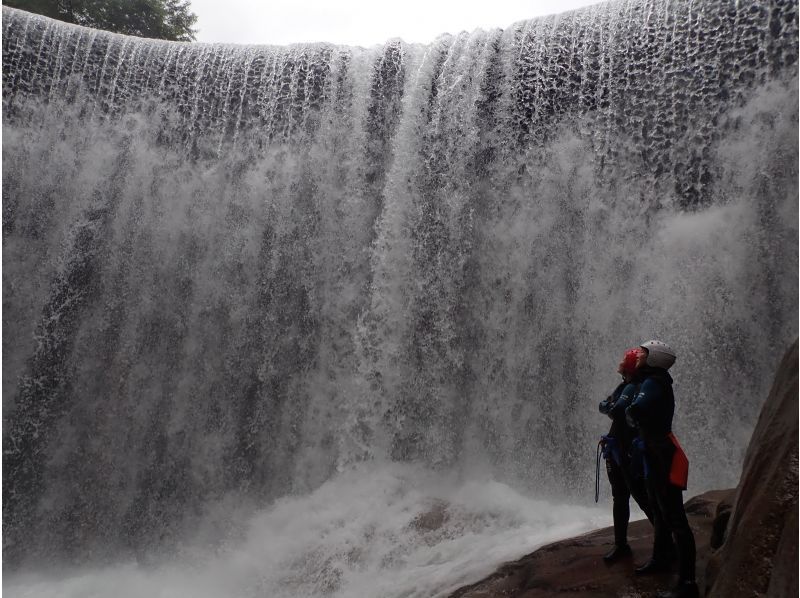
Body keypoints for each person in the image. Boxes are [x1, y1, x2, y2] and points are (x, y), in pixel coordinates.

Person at [625, 340, 698, 598]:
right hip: (655, 449)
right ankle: (661, 557)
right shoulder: (654, 380)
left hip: (660, 453)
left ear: (654, 357)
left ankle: (688, 583)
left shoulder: (653, 382)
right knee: (659, 507)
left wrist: (630, 415)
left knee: (674, 515)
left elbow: (634, 410)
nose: (639, 356)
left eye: (643, 352)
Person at [598, 347, 653, 563]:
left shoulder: (631, 387)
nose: (621, 364)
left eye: (624, 361)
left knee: (638, 497)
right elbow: (605, 405)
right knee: (625, 496)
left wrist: (611, 405)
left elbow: (612, 409)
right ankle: (621, 544)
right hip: (619, 447)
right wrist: (610, 405)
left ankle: (664, 543)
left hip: (625, 449)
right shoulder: (628, 386)